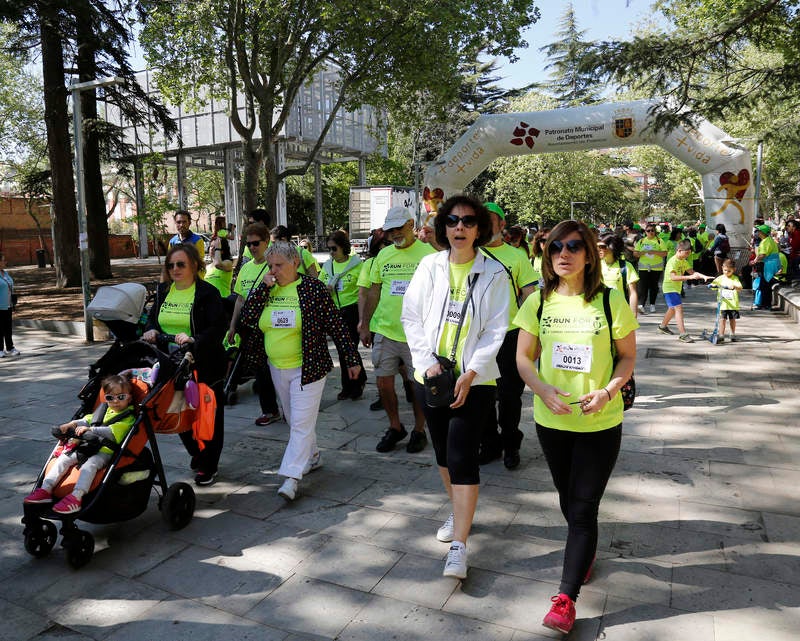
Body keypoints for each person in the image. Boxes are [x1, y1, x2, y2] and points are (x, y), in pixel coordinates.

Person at [514, 220, 638, 634]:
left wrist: (607, 391)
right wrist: (541, 388)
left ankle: (565, 599)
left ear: (588, 255)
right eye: (555, 247)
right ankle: (583, 552)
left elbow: (627, 357)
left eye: (572, 246)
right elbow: (524, 357)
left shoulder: (610, 300)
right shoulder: (538, 302)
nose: (563, 254)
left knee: (583, 507)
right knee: (569, 500)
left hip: (600, 421)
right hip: (552, 420)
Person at [401, 194, 509, 579]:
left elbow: (497, 329)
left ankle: (459, 546)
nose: (459, 227)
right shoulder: (429, 266)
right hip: (431, 378)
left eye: (467, 221)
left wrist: (473, 371)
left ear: (479, 229)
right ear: (443, 228)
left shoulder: (494, 273)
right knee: (444, 454)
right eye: (452, 221)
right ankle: (459, 511)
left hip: (474, 381)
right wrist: (426, 363)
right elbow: (411, 317)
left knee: (463, 456)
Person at [238, 241, 362, 501]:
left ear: (295, 262)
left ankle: (291, 477)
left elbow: (337, 325)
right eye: (270, 266)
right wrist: (262, 290)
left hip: (309, 367)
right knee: (294, 420)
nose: (273, 270)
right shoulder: (266, 289)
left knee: (301, 424)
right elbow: (246, 320)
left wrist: (352, 359)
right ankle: (313, 456)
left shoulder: (312, 289)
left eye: (279, 265)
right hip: (277, 366)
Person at [143, 243, 226, 485]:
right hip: (172, 364)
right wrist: (150, 330)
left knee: (207, 416)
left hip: (204, 364)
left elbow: (217, 328)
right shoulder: (163, 291)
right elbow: (151, 320)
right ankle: (197, 453)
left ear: (194, 266)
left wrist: (194, 339)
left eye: (181, 264)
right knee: (177, 413)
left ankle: (209, 464)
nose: (175, 269)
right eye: (171, 265)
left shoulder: (207, 293)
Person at [359, 206, 435, 453]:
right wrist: (365, 323)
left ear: (411, 224)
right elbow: (374, 291)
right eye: (390, 230)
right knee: (383, 383)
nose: (394, 234)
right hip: (386, 330)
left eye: (399, 228)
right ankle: (395, 427)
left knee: (417, 386)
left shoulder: (429, 254)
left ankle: (419, 430)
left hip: (419, 335)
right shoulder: (383, 255)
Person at [478, 202, 538, 469]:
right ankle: (489, 443)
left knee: (509, 396)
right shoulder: (468, 254)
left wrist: (534, 337)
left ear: (502, 224)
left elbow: (530, 297)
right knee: (482, 393)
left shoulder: (516, 256)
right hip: (477, 337)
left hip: (510, 335)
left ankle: (511, 442)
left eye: (489, 220)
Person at [24, 375, 136, 513]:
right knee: (64, 458)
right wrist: (72, 424)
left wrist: (90, 430)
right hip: (89, 446)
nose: (115, 401)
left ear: (129, 398)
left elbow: (111, 433)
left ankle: (76, 497)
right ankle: (45, 489)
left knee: (90, 465)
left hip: (105, 451)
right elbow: (87, 419)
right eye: (110, 398)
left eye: (121, 397)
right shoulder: (105, 410)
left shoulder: (128, 418)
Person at [226, 223, 282, 425]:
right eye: (248, 244)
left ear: (266, 242)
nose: (252, 247)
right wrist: (233, 326)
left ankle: (291, 407)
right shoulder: (246, 268)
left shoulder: (276, 265)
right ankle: (270, 410)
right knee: (261, 371)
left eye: (256, 243)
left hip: (274, 326)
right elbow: (240, 299)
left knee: (280, 369)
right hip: (251, 327)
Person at [320, 230, 367, 400]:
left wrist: (363, 318)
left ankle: (352, 386)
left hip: (351, 311)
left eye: (334, 248)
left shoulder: (357, 266)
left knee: (349, 349)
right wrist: (325, 290)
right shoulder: (327, 266)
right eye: (329, 249)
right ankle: (356, 381)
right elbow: (319, 285)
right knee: (342, 350)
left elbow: (364, 291)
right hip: (334, 312)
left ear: (343, 247)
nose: (331, 252)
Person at [657, 239, 712, 342]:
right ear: (679, 250)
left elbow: (692, 272)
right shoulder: (672, 261)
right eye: (686, 253)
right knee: (678, 309)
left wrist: (703, 276)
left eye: (689, 253)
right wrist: (689, 278)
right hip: (670, 289)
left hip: (676, 289)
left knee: (672, 309)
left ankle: (662, 327)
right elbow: (673, 277)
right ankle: (683, 334)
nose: (688, 255)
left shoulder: (684, 261)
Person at [598, 233, 639, 317]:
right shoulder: (595, 266)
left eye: (602, 247)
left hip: (620, 312)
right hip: (599, 312)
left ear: (612, 247)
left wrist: (633, 314)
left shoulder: (626, 266)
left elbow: (632, 293)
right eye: (597, 246)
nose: (598, 249)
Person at [634, 224, 668, 314]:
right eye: (648, 231)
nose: (650, 232)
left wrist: (654, 252)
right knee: (642, 287)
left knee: (653, 287)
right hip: (643, 268)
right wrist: (642, 253)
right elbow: (635, 253)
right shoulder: (641, 241)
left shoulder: (659, 241)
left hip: (656, 268)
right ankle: (641, 305)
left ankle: (652, 304)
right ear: (645, 232)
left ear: (655, 231)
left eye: (652, 230)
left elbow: (665, 253)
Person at [711, 258, 743, 342]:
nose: (726, 272)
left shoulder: (735, 278)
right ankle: (721, 334)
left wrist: (734, 286)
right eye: (725, 270)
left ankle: (732, 333)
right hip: (723, 304)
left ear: (733, 270)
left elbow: (740, 288)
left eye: (729, 271)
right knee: (722, 319)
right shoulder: (720, 278)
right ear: (722, 268)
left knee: (732, 319)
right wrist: (712, 285)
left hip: (732, 304)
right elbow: (713, 285)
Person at [751, 224, 781, 310]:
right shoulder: (769, 240)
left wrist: (755, 261)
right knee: (765, 284)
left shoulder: (765, 242)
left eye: (758, 231)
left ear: (762, 232)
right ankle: (765, 304)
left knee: (765, 285)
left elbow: (763, 255)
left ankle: (765, 304)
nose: (757, 233)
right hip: (772, 264)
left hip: (768, 265)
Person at [206, 216, 234, 298]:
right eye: (211, 247)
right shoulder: (207, 267)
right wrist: (232, 230)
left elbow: (218, 264)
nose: (212, 249)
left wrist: (218, 248)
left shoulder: (228, 263)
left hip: (223, 302)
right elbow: (232, 237)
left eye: (214, 247)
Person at [0, 253, 20, 357]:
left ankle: (10, 348)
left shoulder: (5, 273)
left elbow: (10, 285)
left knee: (8, 328)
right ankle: (0, 349)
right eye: (3, 260)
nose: (5, 262)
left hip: (8, 305)